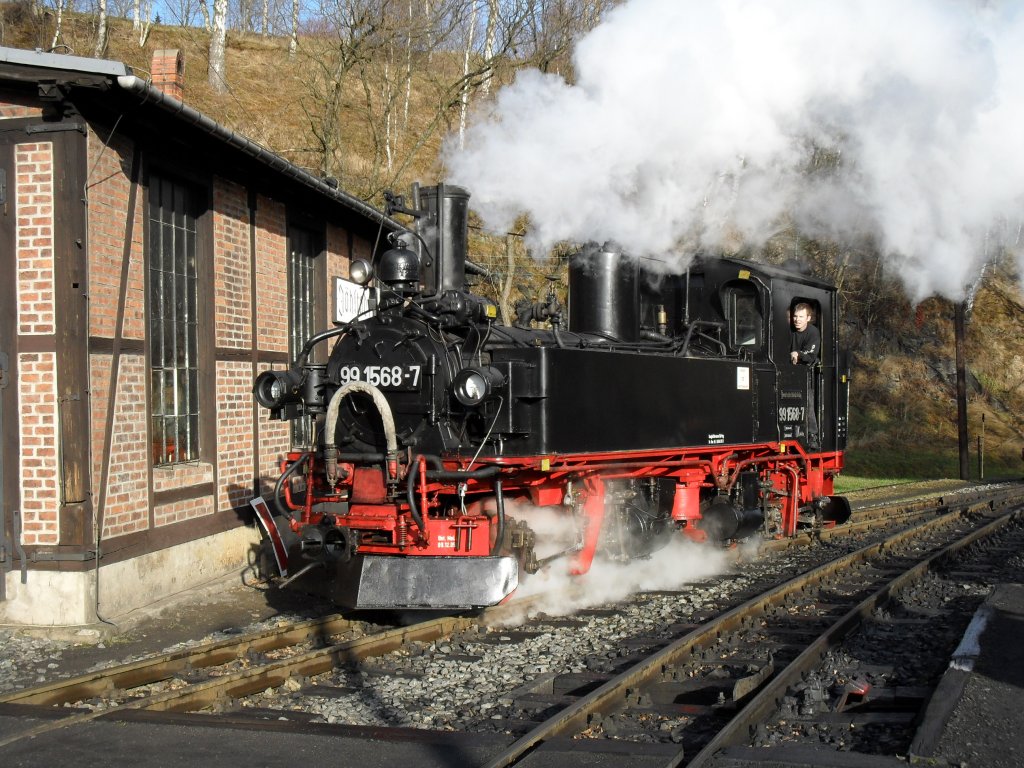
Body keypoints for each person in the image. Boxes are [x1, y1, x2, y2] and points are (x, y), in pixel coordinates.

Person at [790, 303, 820, 449]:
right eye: (795, 316)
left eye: (801, 317)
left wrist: (799, 354)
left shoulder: (813, 332)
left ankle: (812, 435)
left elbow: (812, 355)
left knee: (807, 401)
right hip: (789, 370)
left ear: (808, 318)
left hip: (805, 372)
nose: (797, 319)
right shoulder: (789, 331)